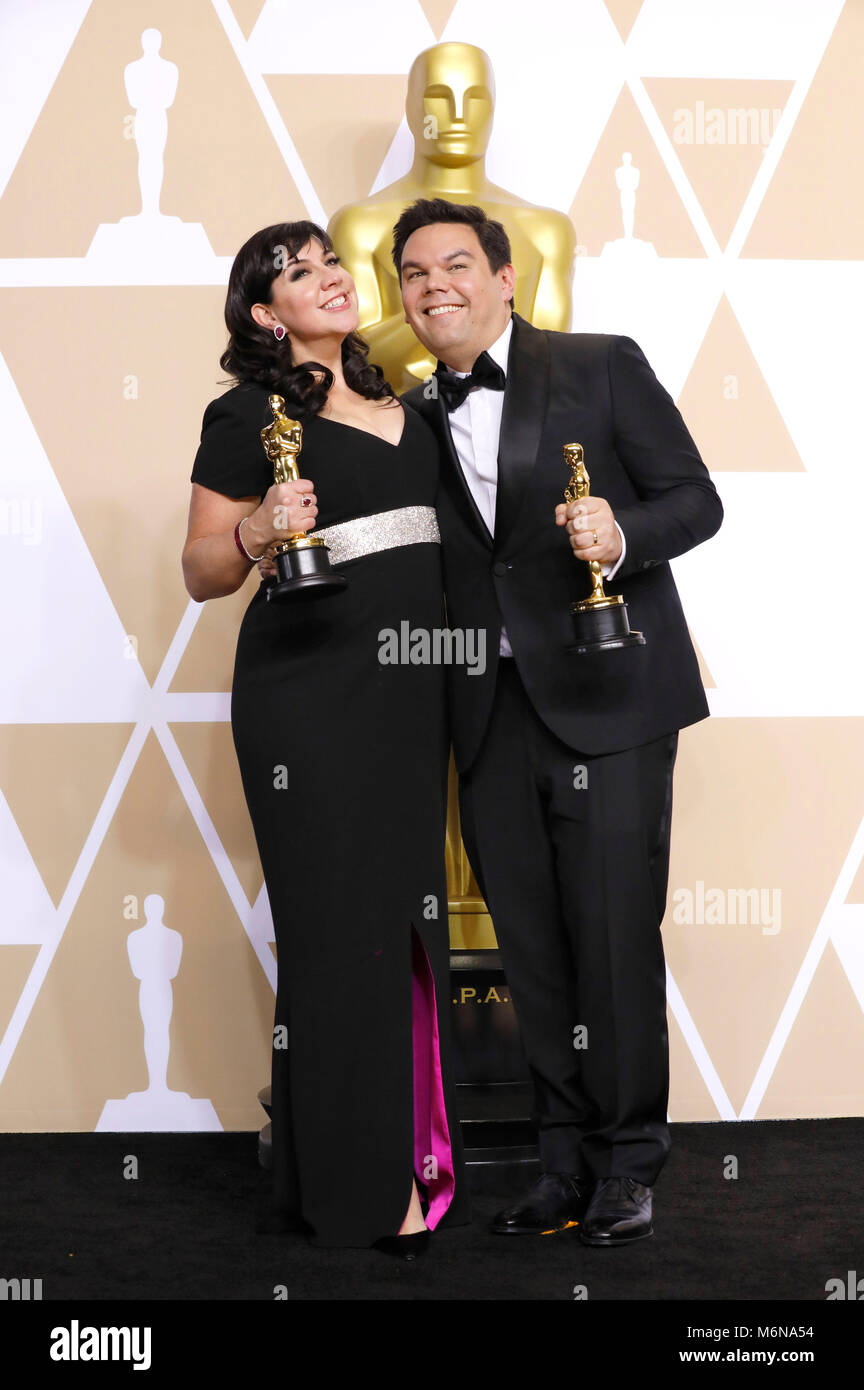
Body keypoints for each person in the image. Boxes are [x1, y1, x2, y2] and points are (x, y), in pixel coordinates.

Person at [395, 197, 723, 1245]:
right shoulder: (403, 413)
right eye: (412, 273)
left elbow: (696, 500)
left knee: (614, 944)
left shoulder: (600, 364)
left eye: (454, 263)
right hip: (488, 716)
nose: (433, 283)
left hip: (610, 702)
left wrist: (620, 532)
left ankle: (631, 1164)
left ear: (504, 278)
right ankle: (562, 1165)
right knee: (535, 953)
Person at [181, 220, 469, 1255]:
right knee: (332, 928)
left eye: (329, 262)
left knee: (398, 928)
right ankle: (366, 1190)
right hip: (305, 696)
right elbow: (203, 566)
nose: (329, 279)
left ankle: (363, 1165)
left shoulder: (411, 405)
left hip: (410, 696)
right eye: (297, 273)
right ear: (266, 313)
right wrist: (260, 531)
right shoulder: (244, 415)